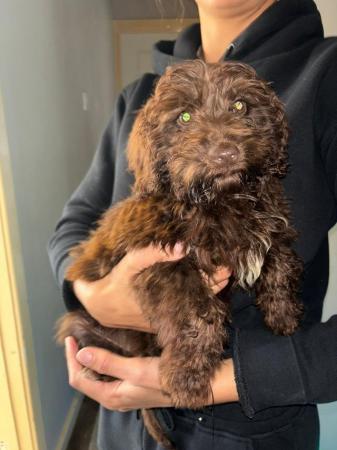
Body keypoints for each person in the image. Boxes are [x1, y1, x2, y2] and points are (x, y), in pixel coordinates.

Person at [47, 0, 337, 449]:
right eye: (184, 120)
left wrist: (218, 380)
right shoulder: (137, 97)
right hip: (120, 428)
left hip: (250, 429)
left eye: (240, 111)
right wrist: (94, 297)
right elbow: (74, 224)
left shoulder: (327, 77)